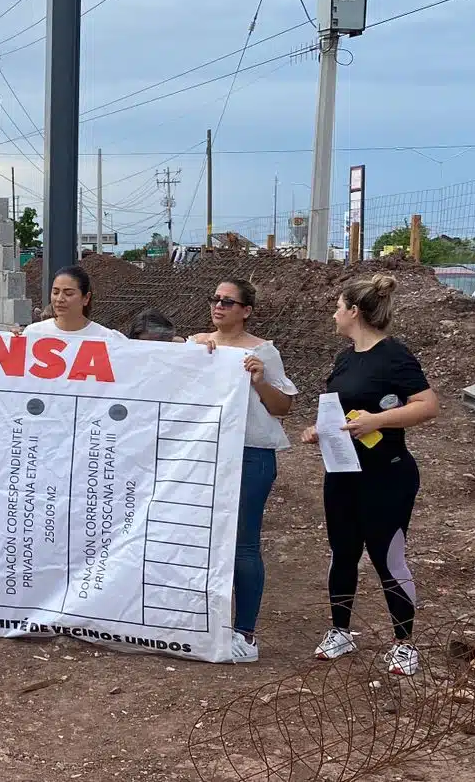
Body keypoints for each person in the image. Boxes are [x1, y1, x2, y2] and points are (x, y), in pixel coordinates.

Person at [300, 274, 439, 677]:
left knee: (386, 555)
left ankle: (404, 643)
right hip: (343, 471)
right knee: (342, 551)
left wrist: (377, 420)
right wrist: (318, 430)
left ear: (354, 311)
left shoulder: (395, 355)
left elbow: (428, 406)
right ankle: (340, 631)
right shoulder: (345, 357)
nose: (334, 313)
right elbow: (340, 410)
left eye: (338, 306)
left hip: (387, 474)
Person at [187, 280, 298, 665]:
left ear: (246, 310)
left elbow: (282, 407)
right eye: (215, 299)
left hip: (250, 455)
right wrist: (193, 359)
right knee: (196, 537)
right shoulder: (196, 344)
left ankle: (245, 633)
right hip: (202, 454)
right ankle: (199, 622)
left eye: (228, 302)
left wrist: (260, 380)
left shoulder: (264, 352)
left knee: (243, 544)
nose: (219, 306)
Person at [22, 264, 124, 339]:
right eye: (55, 292)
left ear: (86, 298)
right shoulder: (33, 333)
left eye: (69, 293)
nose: (59, 299)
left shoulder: (108, 338)